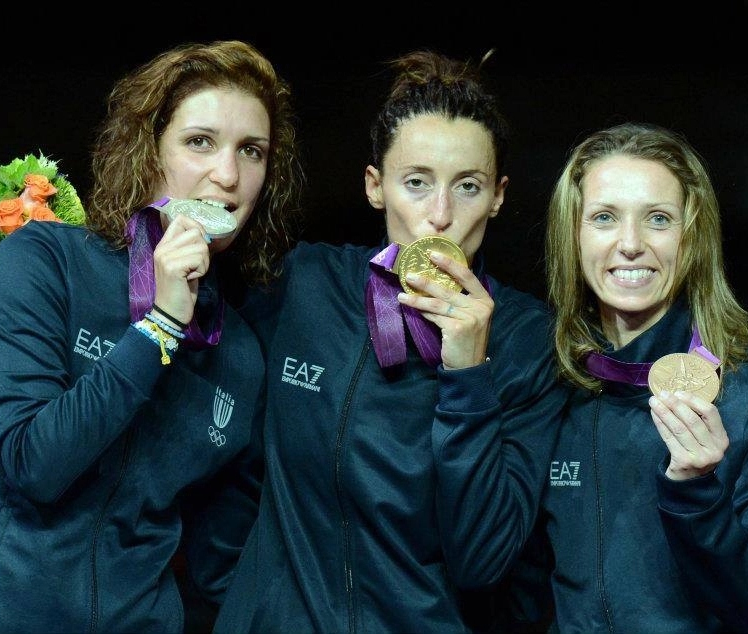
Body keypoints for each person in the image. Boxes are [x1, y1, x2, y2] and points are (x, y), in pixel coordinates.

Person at [0, 40, 302, 633]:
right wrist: (159, 326)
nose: (227, 176)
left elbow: (220, 565)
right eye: (199, 141)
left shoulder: (241, 357)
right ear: (148, 148)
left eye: (250, 151)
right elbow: (35, 463)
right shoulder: (44, 263)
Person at [212, 50, 568, 633]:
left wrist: (468, 377)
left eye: (469, 186)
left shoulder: (531, 343)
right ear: (376, 187)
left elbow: (482, 561)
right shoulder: (303, 286)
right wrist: (243, 601)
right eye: (417, 183)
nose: (440, 214)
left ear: (499, 196)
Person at [516, 122, 748, 633]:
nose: (630, 244)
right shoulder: (545, 385)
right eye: (604, 217)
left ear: (692, 235)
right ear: (573, 234)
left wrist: (697, 493)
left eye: (658, 219)